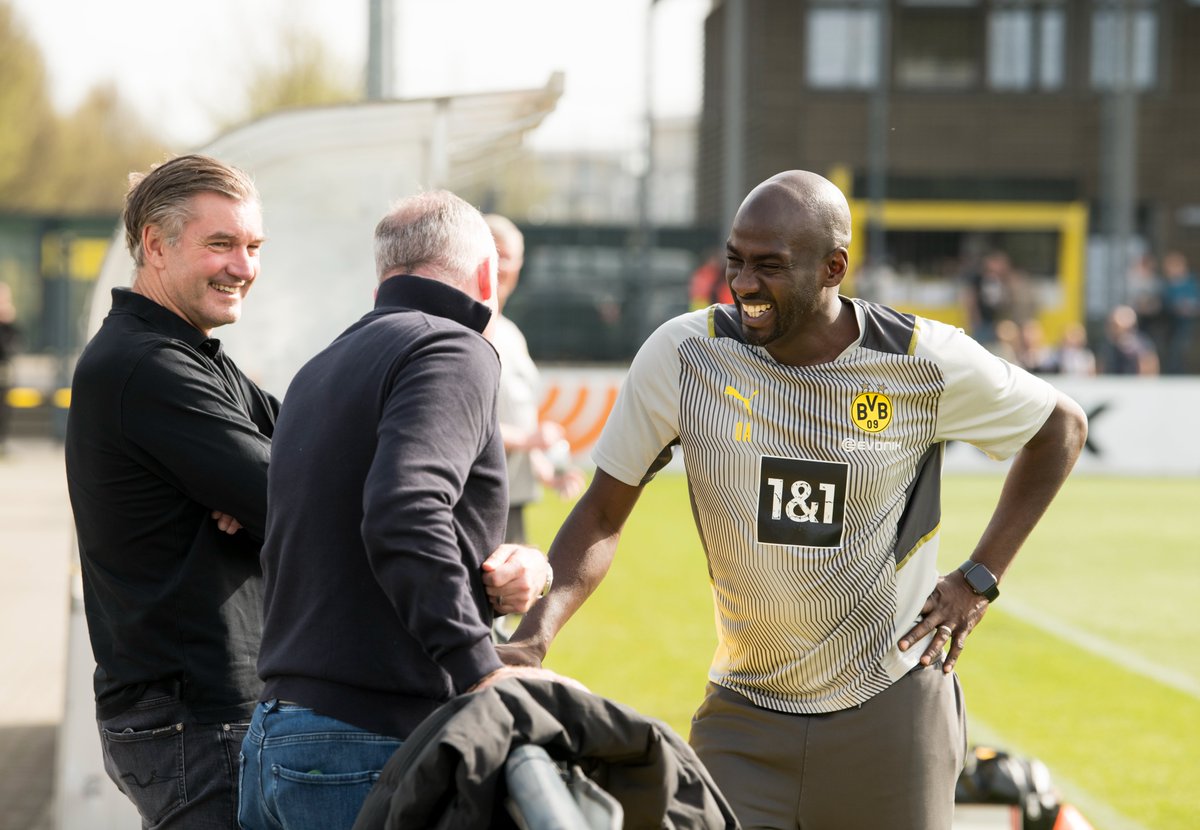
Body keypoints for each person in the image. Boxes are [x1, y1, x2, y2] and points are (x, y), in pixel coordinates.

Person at [501, 170, 1089, 830]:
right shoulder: (685, 355)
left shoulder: (921, 360)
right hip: (744, 718)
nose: (744, 284)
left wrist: (980, 578)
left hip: (892, 712)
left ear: (833, 266)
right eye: (735, 261)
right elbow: (602, 512)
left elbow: (1060, 429)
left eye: (769, 266)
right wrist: (532, 640)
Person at [240, 190, 575, 830]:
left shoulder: (322, 365)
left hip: (277, 734)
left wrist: (512, 564)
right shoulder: (455, 347)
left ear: (386, 272)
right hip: (369, 739)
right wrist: (481, 670)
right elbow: (405, 510)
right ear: (485, 277)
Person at [64, 154, 278, 829]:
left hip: (202, 716)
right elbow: (289, 497)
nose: (242, 267)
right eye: (221, 244)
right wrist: (264, 498)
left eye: (252, 247)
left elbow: (311, 453)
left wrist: (256, 499)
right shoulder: (144, 364)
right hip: (194, 719)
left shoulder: (189, 352)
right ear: (156, 245)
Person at [484, 213, 584, 548]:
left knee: (515, 598)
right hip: (479, 500)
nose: (501, 267)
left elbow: (517, 422)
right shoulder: (464, 332)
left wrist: (549, 474)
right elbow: (460, 424)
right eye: (495, 255)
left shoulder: (510, 334)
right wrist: (530, 439)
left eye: (509, 257)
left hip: (513, 500)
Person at [0, 281, 20, 454]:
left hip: (4, 374)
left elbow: (13, 346)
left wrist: (8, 323)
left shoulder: (8, 324)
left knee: (4, 408)